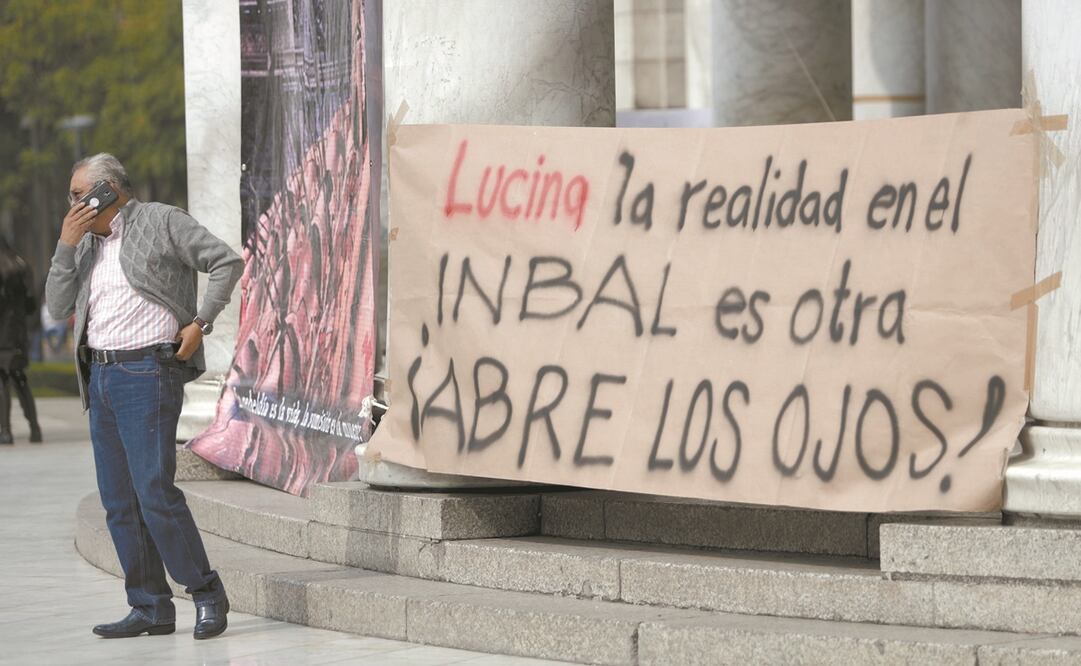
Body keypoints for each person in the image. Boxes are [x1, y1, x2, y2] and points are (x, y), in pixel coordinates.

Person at [45, 153, 243, 640]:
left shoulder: (161, 220)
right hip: (102, 377)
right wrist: (65, 247)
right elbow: (56, 306)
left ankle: (205, 592)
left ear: (106, 190)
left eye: (78, 194)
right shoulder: (85, 244)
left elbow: (226, 261)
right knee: (118, 501)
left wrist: (200, 324)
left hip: (148, 371)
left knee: (154, 491)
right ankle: (150, 605)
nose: (71, 204)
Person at [0, 236, 41, 444]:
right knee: (20, 379)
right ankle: (35, 429)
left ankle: (5, 431)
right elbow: (31, 305)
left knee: (2, 380)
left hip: (2, 333)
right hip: (17, 332)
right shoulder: (20, 265)